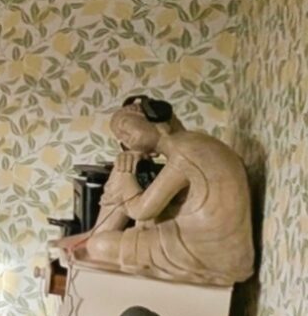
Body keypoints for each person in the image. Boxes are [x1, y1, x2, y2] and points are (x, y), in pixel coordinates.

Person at [56, 96, 254, 287]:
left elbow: (141, 211)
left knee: (100, 246)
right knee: (101, 239)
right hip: (206, 241)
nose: (124, 140)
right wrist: (124, 173)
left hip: (209, 251)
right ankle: (93, 234)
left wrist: (126, 176)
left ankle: (93, 239)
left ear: (155, 116)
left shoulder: (185, 151)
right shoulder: (188, 144)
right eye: (120, 138)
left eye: (125, 127)